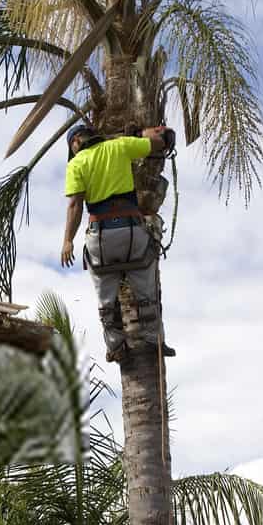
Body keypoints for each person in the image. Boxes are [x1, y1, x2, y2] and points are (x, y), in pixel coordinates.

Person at [61, 123, 176, 363]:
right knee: (146, 291)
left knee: (106, 302)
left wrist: (68, 241)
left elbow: (75, 205)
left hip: (101, 238)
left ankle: (116, 347)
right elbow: (158, 142)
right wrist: (157, 135)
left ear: (75, 144)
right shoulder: (119, 146)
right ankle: (154, 340)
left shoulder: (77, 163)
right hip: (131, 232)